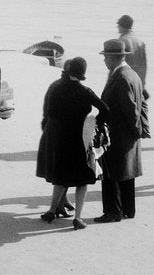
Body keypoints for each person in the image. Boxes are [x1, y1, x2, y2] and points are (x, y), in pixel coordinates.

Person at [36, 57, 109, 230]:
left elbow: (51, 113)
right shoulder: (85, 91)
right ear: (83, 73)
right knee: (82, 179)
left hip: (61, 138)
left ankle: (52, 210)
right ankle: (78, 218)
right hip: (80, 139)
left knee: (61, 176)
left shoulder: (57, 88)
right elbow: (105, 108)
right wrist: (95, 122)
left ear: (68, 71)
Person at [94, 39, 145, 223]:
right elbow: (142, 104)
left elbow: (130, 110)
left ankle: (113, 212)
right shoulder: (133, 74)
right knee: (127, 172)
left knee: (111, 173)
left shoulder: (120, 77)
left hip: (118, 133)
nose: (104, 61)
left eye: (105, 57)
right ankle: (128, 209)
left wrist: (134, 129)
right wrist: (139, 130)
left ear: (112, 57)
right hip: (128, 134)